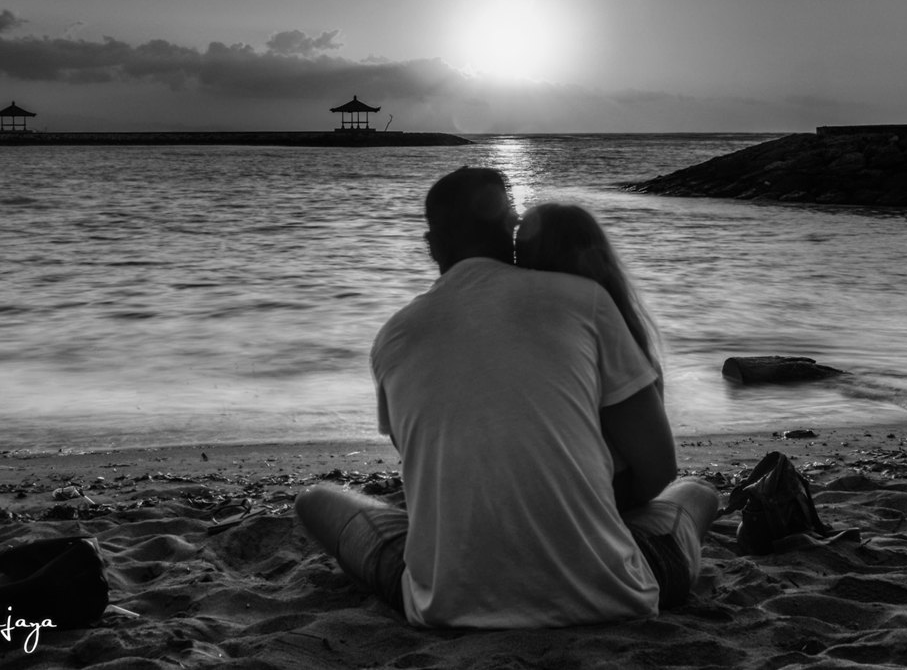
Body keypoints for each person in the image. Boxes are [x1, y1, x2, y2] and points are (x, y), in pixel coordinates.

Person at [295, 168, 718, 628]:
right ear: (513, 229)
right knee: (696, 492)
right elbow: (659, 469)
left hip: (446, 605)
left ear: (431, 245)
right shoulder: (585, 300)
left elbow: (421, 470)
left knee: (315, 500)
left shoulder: (393, 336)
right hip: (613, 595)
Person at [515, 202, 665, 508]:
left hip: (520, 495)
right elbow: (657, 472)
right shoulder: (606, 320)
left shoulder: (500, 332)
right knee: (698, 491)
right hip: (601, 498)